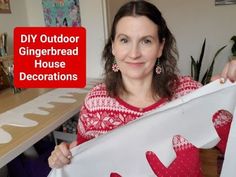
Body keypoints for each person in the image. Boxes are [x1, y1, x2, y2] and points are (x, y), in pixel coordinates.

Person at [48, 1, 236, 176]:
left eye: (146, 41)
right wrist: (62, 157)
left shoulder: (189, 93)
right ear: (113, 46)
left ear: (160, 47)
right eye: (124, 40)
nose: (134, 53)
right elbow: (84, 162)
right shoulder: (95, 104)